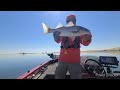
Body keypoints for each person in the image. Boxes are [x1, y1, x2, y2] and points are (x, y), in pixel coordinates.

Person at [53, 15, 92, 79]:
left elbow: (85, 43)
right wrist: (55, 38)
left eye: (73, 20)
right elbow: (58, 41)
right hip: (62, 60)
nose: (71, 22)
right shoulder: (63, 30)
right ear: (66, 22)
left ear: (75, 21)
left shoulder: (79, 31)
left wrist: (87, 39)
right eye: (69, 21)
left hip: (75, 61)